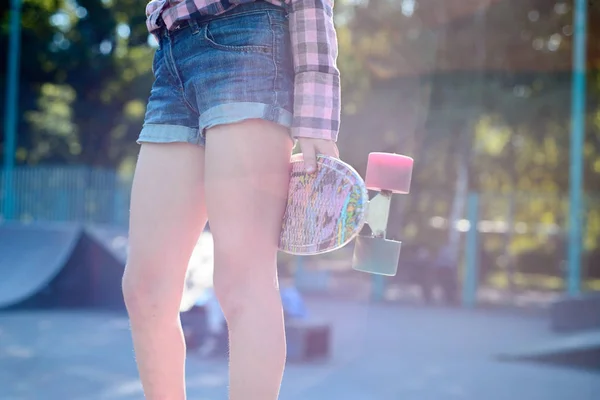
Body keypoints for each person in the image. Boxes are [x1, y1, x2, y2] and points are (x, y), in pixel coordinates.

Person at [120, 1, 341, 399]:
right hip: (172, 55)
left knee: (242, 283)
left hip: (248, 39)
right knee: (145, 290)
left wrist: (316, 112)